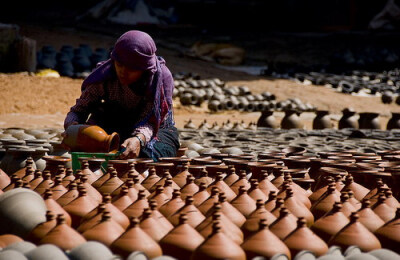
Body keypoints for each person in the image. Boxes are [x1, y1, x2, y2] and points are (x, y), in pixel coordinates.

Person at [63, 30, 180, 161]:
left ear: (144, 68)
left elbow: (152, 121)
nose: (123, 72)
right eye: (119, 65)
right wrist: (72, 127)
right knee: (91, 147)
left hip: (154, 128)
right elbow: (79, 110)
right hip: (114, 124)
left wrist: (138, 139)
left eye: (132, 69)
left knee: (148, 155)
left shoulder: (159, 81)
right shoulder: (105, 76)